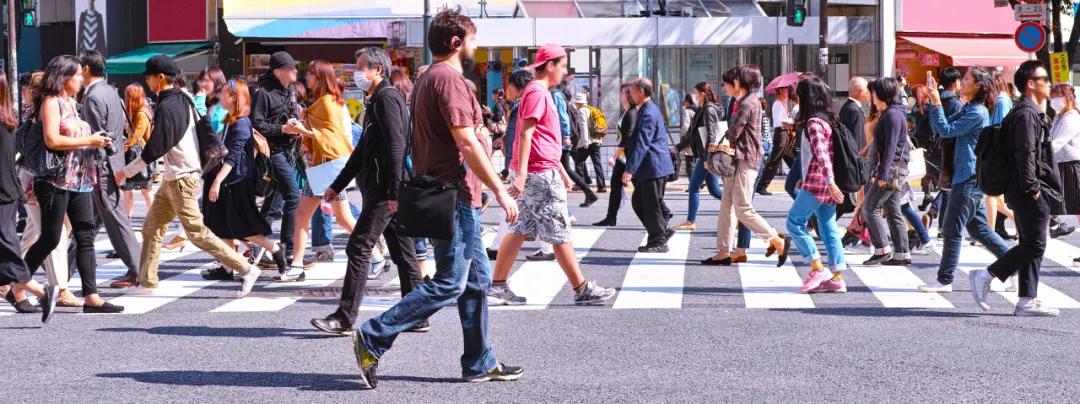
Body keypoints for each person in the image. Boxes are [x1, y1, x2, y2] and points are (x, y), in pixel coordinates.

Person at [351, 8, 523, 388]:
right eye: (474, 42)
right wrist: (498, 187)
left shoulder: (429, 77)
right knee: (450, 282)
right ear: (457, 42)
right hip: (455, 194)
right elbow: (465, 139)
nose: (477, 50)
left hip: (445, 191)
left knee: (477, 281)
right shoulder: (448, 79)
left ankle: (479, 361)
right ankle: (374, 335)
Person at [116, 54, 262, 297]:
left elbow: (157, 146)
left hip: (183, 177)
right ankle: (147, 282)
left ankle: (245, 268)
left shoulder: (169, 103)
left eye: (149, 77)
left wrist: (125, 172)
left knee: (196, 232)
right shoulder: (182, 98)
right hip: (175, 177)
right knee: (152, 228)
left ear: (160, 78)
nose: (147, 82)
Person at [486, 43, 617, 306]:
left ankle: (498, 285)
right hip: (538, 174)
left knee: (518, 228)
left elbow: (543, 138)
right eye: (563, 65)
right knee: (559, 231)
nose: (566, 72)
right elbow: (526, 133)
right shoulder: (537, 92)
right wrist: (523, 174)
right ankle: (582, 288)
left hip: (540, 170)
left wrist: (560, 170)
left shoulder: (539, 91)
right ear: (550, 65)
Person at [309, 48, 425, 335]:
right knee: (403, 251)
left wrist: (394, 190)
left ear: (377, 70)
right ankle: (418, 314)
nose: (356, 73)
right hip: (384, 186)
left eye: (361, 67)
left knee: (359, 246)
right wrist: (337, 185)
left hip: (386, 189)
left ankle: (345, 318)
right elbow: (362, 151)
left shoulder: (387, 98)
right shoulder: (376, 100)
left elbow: (397, 144)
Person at [23, 55, 121, 314]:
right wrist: (90, 140)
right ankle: (15, 280)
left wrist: (97, 140)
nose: (81, 79)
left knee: (85, 235)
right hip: (55, 180)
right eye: (77, 75)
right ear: (64, 77)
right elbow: (52, 140)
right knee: (50, 237)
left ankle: (92, 296)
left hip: (80, 180)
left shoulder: (72, 103)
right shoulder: (50, 102)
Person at [970, 60, 1063, 317]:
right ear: (1031, 84)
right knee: (1034, 245)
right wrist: (1033, 188)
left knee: (1032, 243)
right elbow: (1025, 153)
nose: (1049, 83)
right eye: (1044, 78)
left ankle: (1026, 301)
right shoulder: (1026, 114)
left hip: (1025, 188)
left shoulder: (1029, 111)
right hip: (1028, 189)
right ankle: (986, 275)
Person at [917, 67, 1011, 292]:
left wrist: (937, 102)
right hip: (967, 176)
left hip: (968, 177)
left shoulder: (977, 113)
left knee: (951, 229)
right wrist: (934, 103)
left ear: (978, 85)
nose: (962, 82)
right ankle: (1015, 266)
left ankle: (944, 280)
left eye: (967, 79)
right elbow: (941, 126)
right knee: (979, 230)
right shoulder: (970, 108)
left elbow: (946, 130)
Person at [200, 79, 289, 281]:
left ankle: (275, 249)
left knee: (242, 227)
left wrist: (217, 182)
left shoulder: (241, 123)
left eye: (224, 93)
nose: (220, 96)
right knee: (221, 225)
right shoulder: (232, 121)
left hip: (236, 183)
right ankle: (228, 267)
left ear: (234, 97)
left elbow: (233, 157)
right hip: (232, 181)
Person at [278, 60, 357, 281]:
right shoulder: (324, 102)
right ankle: (296, 264)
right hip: (323, 167)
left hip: (330, 167)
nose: (307, 77)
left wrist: (304, 130)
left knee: (342, 218)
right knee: (307, 215)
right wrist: (304, 128)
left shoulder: (327, 102)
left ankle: (376, 253)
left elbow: (332, 137)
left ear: (320, 76)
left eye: (310, 73)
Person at [702, 65, 788, 266]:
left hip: (744, 159)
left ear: (743, 81)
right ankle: (723, 251)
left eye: (737, 78)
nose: (733, 82)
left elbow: (734, 131)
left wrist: (720, 144)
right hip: (740, 159)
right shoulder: (748, 101)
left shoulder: (748, 103)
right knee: (727, 205)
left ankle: (776, 239)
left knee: (742, 209)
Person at [76, 50, 144, 289]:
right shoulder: (111, 92)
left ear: (85, 68)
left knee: (115, 219)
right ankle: (64, 263)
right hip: (113, 163)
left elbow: (97, 137)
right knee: (90, 220)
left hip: (100, 166)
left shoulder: (93, 97)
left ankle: (137, 268)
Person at [0, 69, 57, 321]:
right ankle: (16, 292)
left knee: (8, 247)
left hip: (3, 194)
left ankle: (42, 291)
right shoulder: (8, 121)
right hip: (8, 191)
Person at [787, 75, 848, 293]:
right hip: (824, 180)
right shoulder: (829, 118)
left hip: (819, 181)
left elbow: (821, 154)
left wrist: (829, 182)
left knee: (794, 222)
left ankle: (817, 267)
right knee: (828, 226)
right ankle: (837, 276)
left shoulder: (813, 122)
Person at [252, 51, 303, 261]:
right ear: (278, 71)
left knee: (273, 202)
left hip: (290, 150)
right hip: (272, 152)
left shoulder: (289, 90)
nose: (295, 71)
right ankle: (287, 250)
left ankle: (257, 246)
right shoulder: (263, 92)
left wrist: (296, 124)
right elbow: (256, 124)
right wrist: (282, 129)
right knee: (293, 196)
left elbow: (291, 114)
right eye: (291, 68)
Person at [860, 77, 911, 266]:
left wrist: (882, 174)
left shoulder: (892, 115)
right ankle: (902, 253)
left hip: (892, 170)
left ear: (882, 94)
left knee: (869, 207)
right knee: (892, 209)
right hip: (896, 168)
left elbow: (891, 148)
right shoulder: (893, 113)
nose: (871, 96)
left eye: (873, 92)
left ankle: (882, 249)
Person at [623, 77, 677, 252]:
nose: (629, 94)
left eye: (631, 90)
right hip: (653, 166)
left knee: (649, 204)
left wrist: (630, 169)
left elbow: (643, 142)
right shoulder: (648, 109)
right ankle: (662, 230)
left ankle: (658, 241)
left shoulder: (647, 112)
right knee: (639, 201)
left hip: (653, 166)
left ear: (641, 91)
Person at [672, 82, 724, 232]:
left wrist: (707, 158)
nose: (693, 95)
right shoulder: (701, 109)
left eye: (695, 93)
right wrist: (677, 148)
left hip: (706, 155)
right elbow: (692, 135)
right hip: (705, 154)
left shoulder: (707, 110)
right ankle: (736, 210)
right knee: (714, 190)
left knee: (693, 187)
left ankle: (690, 221)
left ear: (702, 94)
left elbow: (711, 134)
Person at [592, 84, 635, 227]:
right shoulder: (626, 111)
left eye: (622, 93)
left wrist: (614, 156)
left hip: (629, 157)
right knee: (615, 185)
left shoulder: (632, 113)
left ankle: (664, 211)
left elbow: (627, 138)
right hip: (624, 157)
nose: (620, 95)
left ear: (629, 95)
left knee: (642, 189)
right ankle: (611, 217)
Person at [552, 82, 599, 207]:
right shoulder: (565, 101)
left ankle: (589, 193)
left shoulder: (556, 95)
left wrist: (566, 136)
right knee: (562, 168)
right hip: (565, 138)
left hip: (562, 139)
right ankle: (587, 192)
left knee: (564, 168)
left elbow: (562, 118)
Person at [1050, 83, 1080, 264]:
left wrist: (1036, 155)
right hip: (1061, 164)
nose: (1053, 100)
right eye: (1052, 96)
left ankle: (1055, 223)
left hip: (1071, 166)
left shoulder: (1071, 118)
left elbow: (1057, 143)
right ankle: (1055, 223)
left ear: (1067, 97)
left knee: (1078, 209)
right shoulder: (1060, 116)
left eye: (1056, 96)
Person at [120, 83, 155, 218]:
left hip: (138, 157)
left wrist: (124, 147)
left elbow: (136, 136)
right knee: (143, 191)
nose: (126, 99)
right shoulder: (143, 111)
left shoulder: (141, 113)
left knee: (137, 190)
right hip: (142, 156)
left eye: (128, 96)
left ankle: (148, 220)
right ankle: (130, 218)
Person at [758, 84, 796, 195]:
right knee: (775, 160)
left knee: (790, 158)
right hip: (781, 134)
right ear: (780, 91)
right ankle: (761, 186)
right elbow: (779, 122)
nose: (788, 91)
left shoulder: (783, 104)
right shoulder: (778, 104)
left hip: (785, 134)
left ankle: (800, 178)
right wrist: (790, 122)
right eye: (785, 89)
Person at [571, 92, 608, 193]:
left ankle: (580, 184)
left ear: (578, 103)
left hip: (588, 142)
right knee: (597, 163)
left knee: (578, 161)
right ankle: (602, 186)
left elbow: (583, 128)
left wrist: (585, 142)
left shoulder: (582, 110)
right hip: (596, 141)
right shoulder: (591, 109)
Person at [194, 67, 229, 134]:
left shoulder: (223, 103)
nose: (202, 84)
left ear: (216, 82)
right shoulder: (208, 102)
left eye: (206, 80)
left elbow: (213, 128)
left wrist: (199, 103)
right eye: (201, 80)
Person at [679, 94, 698, 179]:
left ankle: (693, 184)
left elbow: (686, 126)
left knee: (689, 163)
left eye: (685, 102)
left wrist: (683, 137)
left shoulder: (687, 111)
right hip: (697, 139)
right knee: (696, 162)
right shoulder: (697, 109)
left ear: (687, 101)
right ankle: (698, 182)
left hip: (689, 140)